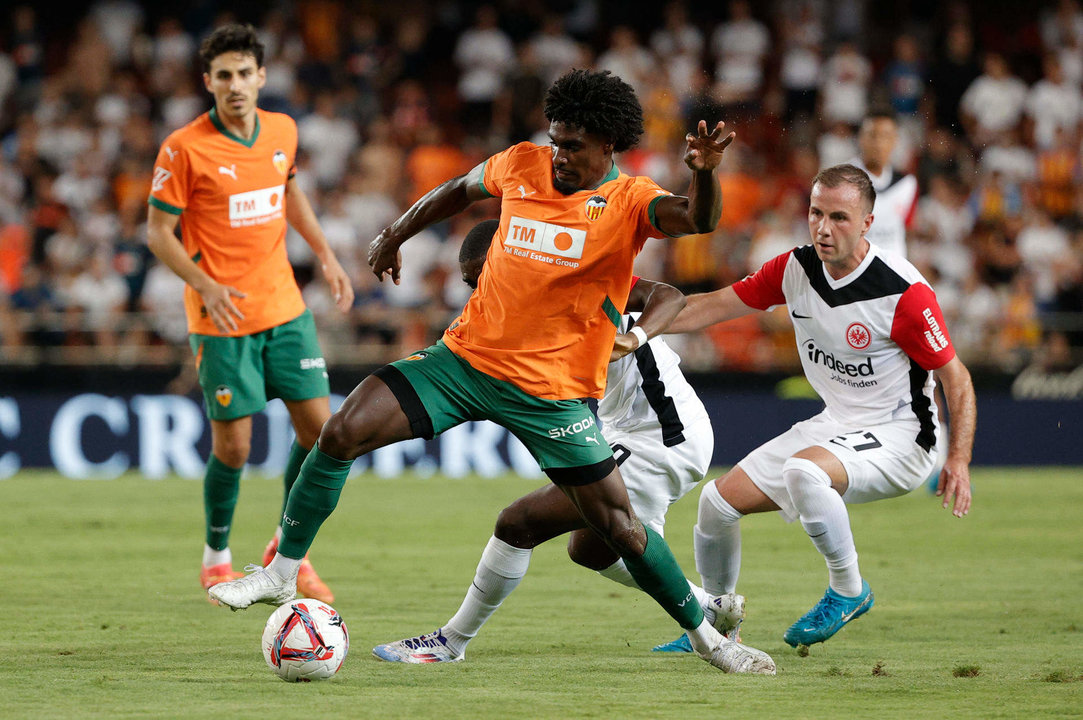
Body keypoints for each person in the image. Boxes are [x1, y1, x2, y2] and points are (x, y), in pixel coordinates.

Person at [210, 69, 775, 675]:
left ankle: (712, 642)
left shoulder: (630, 200)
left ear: (609, 145)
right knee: (343, 430)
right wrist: (396, 233)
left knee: (618, 528)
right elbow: (457, 190)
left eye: (575, 145)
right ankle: (280, 572)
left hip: (551, 394)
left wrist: (705, 170)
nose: (559, 155)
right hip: (464, 362)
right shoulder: (521, 163)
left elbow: (699, 219)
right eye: (555, 139)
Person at [370, 219, 743, 664]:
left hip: (662, 434)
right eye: (470, 284)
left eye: (479, 278)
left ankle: (452, 640)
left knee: (518, 523)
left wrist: (632, 337)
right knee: (588, 548)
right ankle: (709, 608)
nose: (476, 292)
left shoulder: (570, 285)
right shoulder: (531, 299)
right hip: (637, 428)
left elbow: (666, 296)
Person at [654, 164, 975, 654]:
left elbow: (958, 379)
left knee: (805, 473)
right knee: (716, 503)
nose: (824, 228)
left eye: (840, 218)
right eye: (816, 213)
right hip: (836, 424)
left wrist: (958, 459)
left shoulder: (902, 294)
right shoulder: (794, 269)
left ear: (868, 222)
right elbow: (713, 306)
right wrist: (636, 325)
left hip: (902, 437)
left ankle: (849, 590)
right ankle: (715, 622)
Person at [146, 24, 354, 604]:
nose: (234, 85)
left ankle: (287, 551)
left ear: (261, 76)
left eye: (244, 73)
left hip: (285, 308)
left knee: (321, 435)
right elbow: (158, 233)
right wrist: (203, 282)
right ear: (207, 81)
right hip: (222, 317)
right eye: (223, 76)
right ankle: (216, 555)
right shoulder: (184, 148)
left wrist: (326, 256)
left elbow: (289, 192)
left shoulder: (283, 130)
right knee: (233, 449)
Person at [849, 111, 919, 259]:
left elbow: (907, 229)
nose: (879, 143)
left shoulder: (907, 184)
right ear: (860, 138)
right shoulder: (843, 179)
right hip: (855, 273)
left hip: (893, 273)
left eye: (886, 136)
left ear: (895, 140)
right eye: (872, 135)